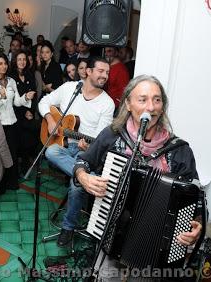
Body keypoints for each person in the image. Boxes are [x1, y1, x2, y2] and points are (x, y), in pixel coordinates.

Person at [57, 75, 202, 261]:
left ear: (162, 106)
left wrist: (196, 224)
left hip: (156, 250)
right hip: (110, 232)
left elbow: (196, 198)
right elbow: (83, 163)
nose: (151, 107)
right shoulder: (112, 135)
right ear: (128, 104)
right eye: (142, 100)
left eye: (157, 100)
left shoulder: (180, 150)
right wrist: (83, 177)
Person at [39, 57, 114, 177]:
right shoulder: (69, 87)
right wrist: (50, 120)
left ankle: (82, 177)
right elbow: (43, 102)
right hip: (64, 145)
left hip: (84, 151)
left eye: (107, 72)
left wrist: (88, 147)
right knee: (51, 151)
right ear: (88, 71)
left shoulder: (107, 103)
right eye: (101, 71)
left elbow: (99, 139)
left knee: (76, 188)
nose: (105, 75)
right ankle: (86, 177)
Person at [0, 52, 34, 193]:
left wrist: (25, 97)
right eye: (0, 63)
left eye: (5, 63)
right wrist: (2, 97)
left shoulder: (11, 81)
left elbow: (16, 102)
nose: (4, 66)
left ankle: (11, 183)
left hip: (12, 122)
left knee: (12, 154)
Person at [9, 50, 40, 174]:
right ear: (15, 61)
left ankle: (26, 167)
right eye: (19, 59)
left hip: (28, 114)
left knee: (29, 139)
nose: (22, 62)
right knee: (18, 141)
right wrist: (24, 112)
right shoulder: (11, 76)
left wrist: (30, 111)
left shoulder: (29, 75)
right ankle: (17, 169)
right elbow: (12, 100)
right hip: (15, 114)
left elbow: (34, 95)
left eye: (24, 59)